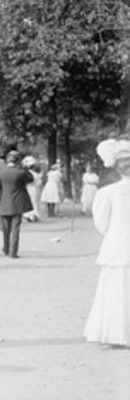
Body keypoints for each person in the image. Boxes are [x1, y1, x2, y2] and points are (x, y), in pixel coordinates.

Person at [85, 139, 130, 346]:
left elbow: (101, 224)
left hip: (118, 245)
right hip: (119, 244)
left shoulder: (107, 193)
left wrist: (116, 234)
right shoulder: (107, 193)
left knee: (116, 289)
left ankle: (117, 333)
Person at [0, 151, 34, 258]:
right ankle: (13, 252)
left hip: (4, 204)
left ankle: (6, 248)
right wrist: (24, 168)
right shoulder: (20, 172)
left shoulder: (0, 173)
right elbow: (31, 178)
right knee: (15, 229)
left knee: (5, 229)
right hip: (17, 205)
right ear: (17, 161)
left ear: (6, 161)